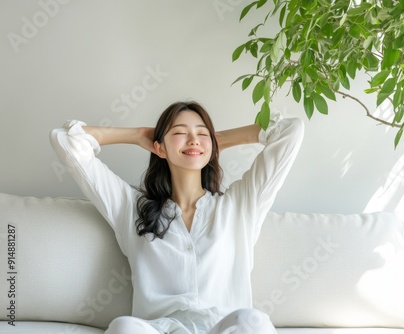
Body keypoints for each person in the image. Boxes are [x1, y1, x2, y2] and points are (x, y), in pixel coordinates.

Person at [50, 101, 304, 334]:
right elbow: (65, 140)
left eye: (202, 133)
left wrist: (219, 141)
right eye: (181, 132)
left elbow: (290, 130)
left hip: (224, 328)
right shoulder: (131, 207)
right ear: (159, 147)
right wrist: (139, 135)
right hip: (160, 328)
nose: (194, 140)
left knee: (253, 321)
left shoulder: (240, 205)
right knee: (123, 327)